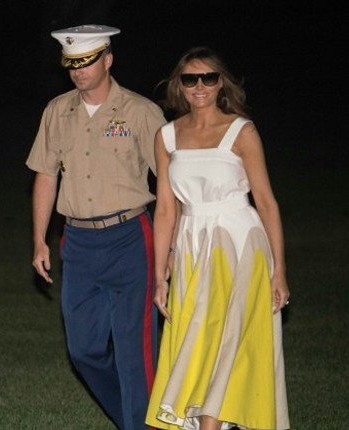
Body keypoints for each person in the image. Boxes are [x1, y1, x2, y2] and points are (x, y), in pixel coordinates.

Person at [26, 25, 166, 430]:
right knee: (84, 350)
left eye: (86, 63)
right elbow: (46, 176)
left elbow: (170, 183)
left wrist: (171, 245)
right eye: (71, 64)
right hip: (79, 242)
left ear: (108, 60)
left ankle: (144, 424)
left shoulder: (141, 112)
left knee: (134, 351)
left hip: (130, 238)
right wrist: (39, 239)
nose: (78, 72)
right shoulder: (57, 110)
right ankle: (138, 419)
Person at [145, 46, 290, 430]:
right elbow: (164, 210)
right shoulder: (166, 136)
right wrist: (160, 274)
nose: (200, 86)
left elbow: (266, 203)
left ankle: (210, 423)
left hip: (240, 242)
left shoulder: (241, 130)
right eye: (190, 78)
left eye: (208, 77)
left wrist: (280, 271)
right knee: (199, 338)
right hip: (192, 246)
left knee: (231, 340)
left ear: (220, 82)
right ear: (180, 84)